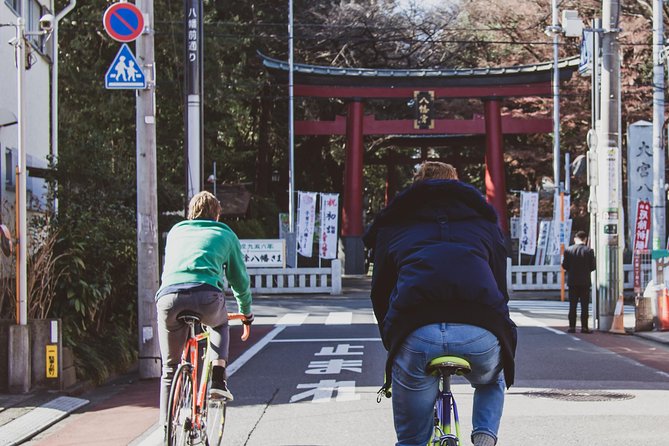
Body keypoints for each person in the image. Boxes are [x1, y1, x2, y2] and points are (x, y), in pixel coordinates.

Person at [363, 161, 517, 446]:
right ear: (457, 185)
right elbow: (499, 287)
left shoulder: (395, 225)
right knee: (492, 377)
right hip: (480, 328)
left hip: (417, 330)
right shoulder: (483, 224)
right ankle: (484, 435)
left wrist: (393, 339)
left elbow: (380, 292)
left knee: (411, 440)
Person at [156, 191, 253, 430]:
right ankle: (218, 379)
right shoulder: (225, 234)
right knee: (220, 324)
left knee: (169, 367)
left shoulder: (177, 230)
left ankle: (166, 427)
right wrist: (246, 314)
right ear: (217, 214)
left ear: (190, 213)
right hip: (206, 295)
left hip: (169, 296)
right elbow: (239, 280)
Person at [561, 230, 596, 334]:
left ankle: (572, 327)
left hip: (572, 281)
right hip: (585, 281)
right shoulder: (589, 251)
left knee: (573, 305)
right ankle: (584, 327)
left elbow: (564, 266)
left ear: (575, 239)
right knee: (584, 305)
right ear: (585, 239)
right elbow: (592, 267)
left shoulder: (568, 250)